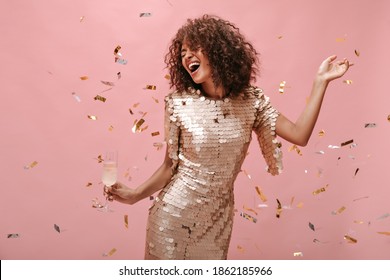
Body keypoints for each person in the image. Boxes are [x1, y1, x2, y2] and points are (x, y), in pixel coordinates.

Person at [105, 14, 350, 260]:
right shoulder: (178, 104)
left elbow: (300, 134)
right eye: (183, 53)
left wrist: (321, 82)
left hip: (217, 222)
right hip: (173, 218)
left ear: (218, 50)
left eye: (194, 48)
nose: (187, 56)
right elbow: (170, 167)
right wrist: (135, 195)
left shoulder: (251, 102)